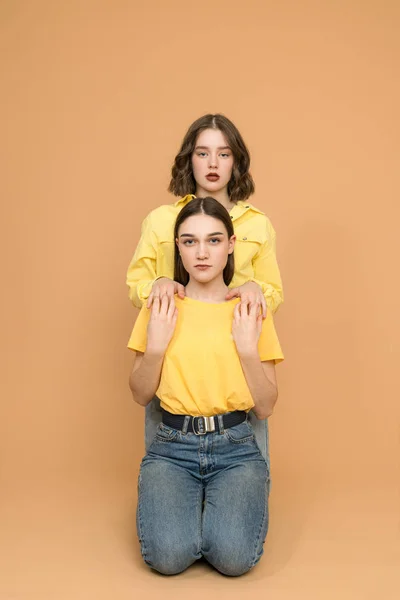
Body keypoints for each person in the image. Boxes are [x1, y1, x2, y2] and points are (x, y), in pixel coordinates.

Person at [128, 197, 284, 576]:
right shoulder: (160, 305)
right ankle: (191, 510)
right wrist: (158, 347)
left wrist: (248, 349)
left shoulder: (251, 309)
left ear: (231, 244)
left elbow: (265, 407)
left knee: (233, 561)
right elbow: (139, 393)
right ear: (177, 247)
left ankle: (210, 513)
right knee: (167, 559)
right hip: (171, 447)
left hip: (235, 448)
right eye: (189, 241)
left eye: (213, 241)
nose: (201, 253)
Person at [126, 114, 284, 455]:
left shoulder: (258, 225)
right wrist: (161, 284)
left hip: (239, 362)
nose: (213, 163)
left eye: (224, 154)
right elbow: (137, 284)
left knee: (250, 476)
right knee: (166, 468)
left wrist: (257, 291)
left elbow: (273, 292)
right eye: (202, 153)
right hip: (177, 359)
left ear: (236, 161)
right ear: (188, 159)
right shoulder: (161, 221)